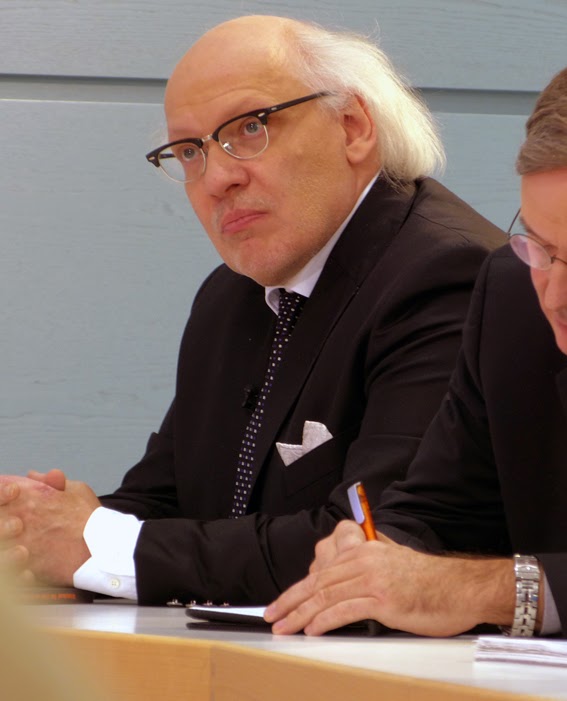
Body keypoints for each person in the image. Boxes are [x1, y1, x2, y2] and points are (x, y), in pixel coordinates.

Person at [0, 15, 504, 605]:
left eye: (248, 128)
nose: (217, 178)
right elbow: (168, 502)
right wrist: (34, 532)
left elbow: (376, 546)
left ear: (353, 126)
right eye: (190, 151)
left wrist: (96, 545)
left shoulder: (449, 276)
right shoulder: (231, 295)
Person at [266, 67, 567, 637]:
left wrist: (493, 590)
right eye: (543, 247)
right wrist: (373, 559)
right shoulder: (510, 298)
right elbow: (439, 510)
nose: (554, 295)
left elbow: (466, 584)